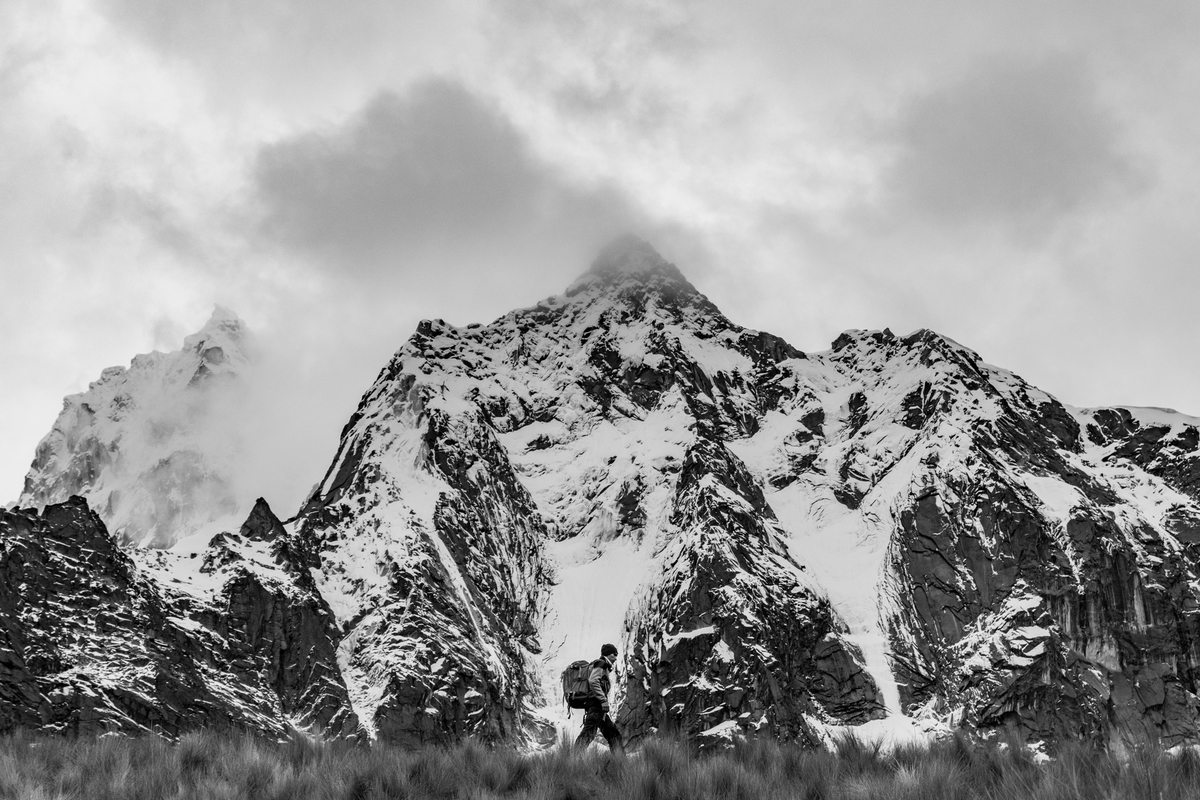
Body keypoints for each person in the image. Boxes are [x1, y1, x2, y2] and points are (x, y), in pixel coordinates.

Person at [575, 643, 625, 755]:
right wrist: (603, 700)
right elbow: (593, 681)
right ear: (608, 654)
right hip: (596, 706)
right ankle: (572, 760)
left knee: (614, 735)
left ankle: (620, 762)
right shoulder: (601, 664)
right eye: (614, 654)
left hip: (598, 709)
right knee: (588, 734)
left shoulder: (603, 666)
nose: (616, 657)